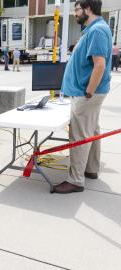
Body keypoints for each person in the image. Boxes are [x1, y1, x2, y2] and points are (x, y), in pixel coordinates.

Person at [53, 0, 112, 194]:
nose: (75, 13)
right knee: (92, 130)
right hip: (86, 92)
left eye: (77, 9)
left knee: (79, 135)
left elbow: (100, 65)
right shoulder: (93, 30)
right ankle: (91, 169)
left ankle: (75, 180)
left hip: (86, 93)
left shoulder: (97, 31)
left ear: (88, 9)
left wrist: (88, 92)